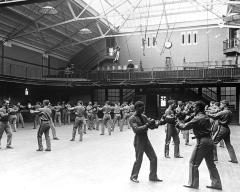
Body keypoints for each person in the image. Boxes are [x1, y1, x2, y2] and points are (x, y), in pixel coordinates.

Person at [176, 101, 222, 190]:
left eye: (194, 107)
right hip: (209, 141)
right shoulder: (205, 116)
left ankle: (193, 183)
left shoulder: (197, 118)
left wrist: (176, 123)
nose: (193, 109)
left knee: (193, 163)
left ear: (197, 108)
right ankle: (217, 184)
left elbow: (184, 126)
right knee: (211, 164)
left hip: (202, 142)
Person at [129, 101, 162, 183]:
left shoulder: (143, 116)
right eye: (141, 107)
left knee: (153, 158)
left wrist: (158, 123)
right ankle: (133, 176)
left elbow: (151, 127)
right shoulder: (132, 118)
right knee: (139, 159)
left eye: (143, 107)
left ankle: (153, 176)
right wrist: (147, 124)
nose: (143, 108)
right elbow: (136, 130)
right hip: (139, 140)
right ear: (136, 108)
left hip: (145, 139)